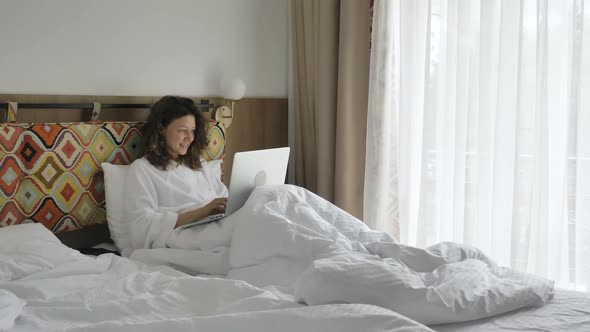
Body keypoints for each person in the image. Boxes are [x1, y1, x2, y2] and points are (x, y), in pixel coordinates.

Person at [125, 96, 231, 252]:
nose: (189, 138)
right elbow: (141, 228)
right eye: (182, 131)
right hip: (183, 235)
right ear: (161, 128)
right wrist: (202, 212)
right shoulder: (142, 170)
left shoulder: (198, 163)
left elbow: (223, 196)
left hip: (217, 224)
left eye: (193, 131)